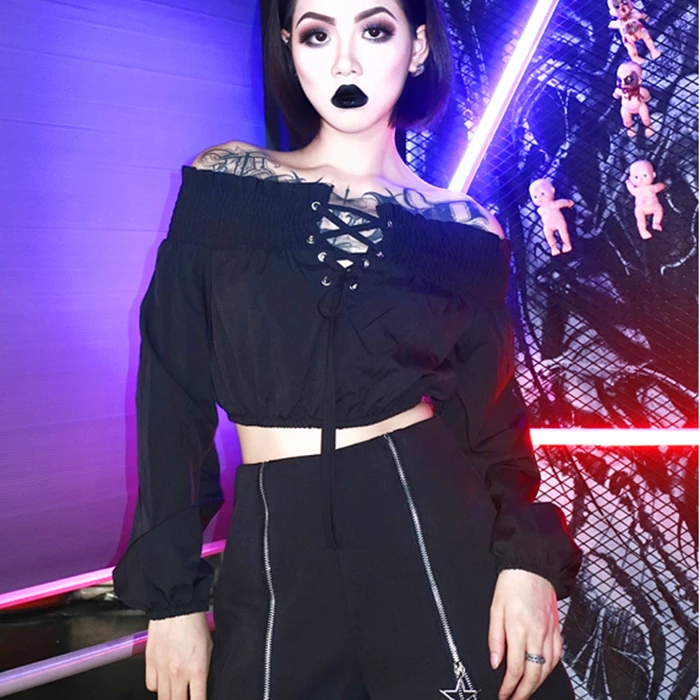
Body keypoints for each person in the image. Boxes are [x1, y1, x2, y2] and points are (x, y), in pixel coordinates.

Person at [112, 1, 583, 699]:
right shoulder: (229, 182)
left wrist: (527, 564)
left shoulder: (465, 229)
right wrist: (173, 600)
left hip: (432, 529)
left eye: (374, 29)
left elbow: (493, 426)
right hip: (275, 542)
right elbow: (170, 395)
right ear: (289, 48)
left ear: (416, 48)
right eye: (316, 33)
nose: (344, 60)